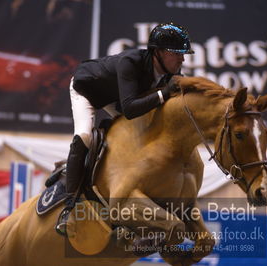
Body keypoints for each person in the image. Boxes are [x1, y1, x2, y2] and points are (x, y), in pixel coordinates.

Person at [56, 22, 194, 233]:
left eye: (183, 54)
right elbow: (129, 109)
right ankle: (68, 206)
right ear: (158, 52)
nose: (182, 59)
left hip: (116, 97)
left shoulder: (170, 71)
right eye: (177, 53)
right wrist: (164, 93)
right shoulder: (131, 62)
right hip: (87, 91)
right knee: (84, 135)